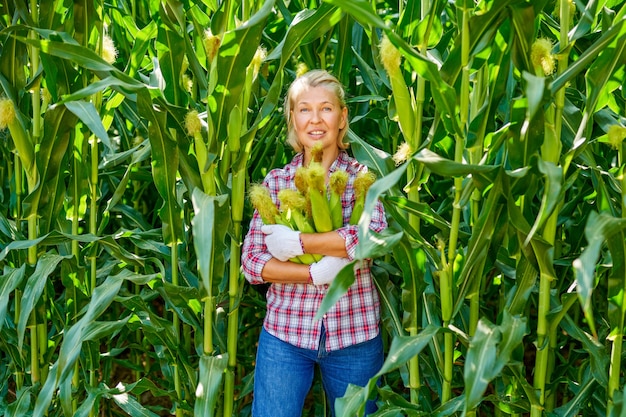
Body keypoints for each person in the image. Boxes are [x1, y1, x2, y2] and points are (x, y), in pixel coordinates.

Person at [241, 69, 387, 417]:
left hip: (355, 334)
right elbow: (252, 263)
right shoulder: (276, 183)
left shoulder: (360, 178)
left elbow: (373, 237)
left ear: (342, 117)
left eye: (326, 108)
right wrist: (313, 274)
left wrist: (298, 241)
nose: (316, 119)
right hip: (285, 335)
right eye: (305, 109)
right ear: (293, 119)